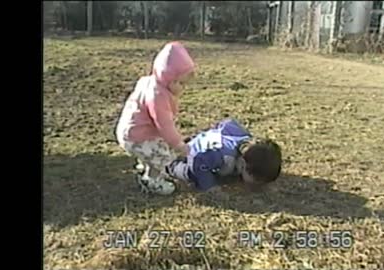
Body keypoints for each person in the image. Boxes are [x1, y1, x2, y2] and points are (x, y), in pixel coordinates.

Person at [115, 41, 195, 195]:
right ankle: (152, 181)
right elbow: (164, 125)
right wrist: (178, 144)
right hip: (137, 137)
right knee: (163, 154)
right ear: (168, 77)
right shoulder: (158, 96)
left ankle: (144, 165)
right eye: (180, 83)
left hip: (130, 131)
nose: (182, 88)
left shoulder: (149, 81)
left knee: (155, 145)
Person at [166, 119, 282, 192]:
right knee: (195, 173)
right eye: (257, 180)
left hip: (207, 140)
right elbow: (198, 162)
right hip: (193, 154)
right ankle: (171, 166)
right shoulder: (223, 156)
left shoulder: (246, 140)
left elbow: (229, 123)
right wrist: (209, 186)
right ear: (243, 164)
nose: (259, 184)